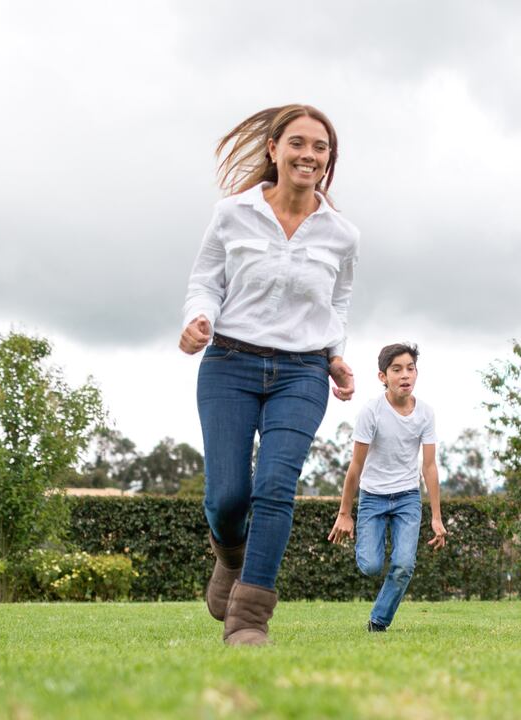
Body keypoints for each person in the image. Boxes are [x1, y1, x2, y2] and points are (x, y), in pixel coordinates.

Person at [180, 104, 359, 646]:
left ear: (329, 160)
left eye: (321, 147)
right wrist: (197, 319)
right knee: (227, 496)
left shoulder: (342, 235)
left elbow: (340, 300)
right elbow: (205, 281)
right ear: (273, 149)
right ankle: (229, 558)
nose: (309, 155)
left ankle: (250, 617)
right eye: (299, 143)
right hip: (229, 363)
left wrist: (336, 354)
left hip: (302, 372)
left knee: (276, 485)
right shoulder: (231, 213)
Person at [328, 342, 447, 631]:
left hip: (407, 497)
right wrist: (345, 512)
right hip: (373, 497)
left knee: (404, 564)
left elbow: (429, 466)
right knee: (370, 566)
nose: (405, 375)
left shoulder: (425, 414)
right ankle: (372, 546)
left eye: (410, 368)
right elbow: (355, 467)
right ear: (383, 377)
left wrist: (436, 517)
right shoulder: (372, 412)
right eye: (397, 370)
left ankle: (379, 621)